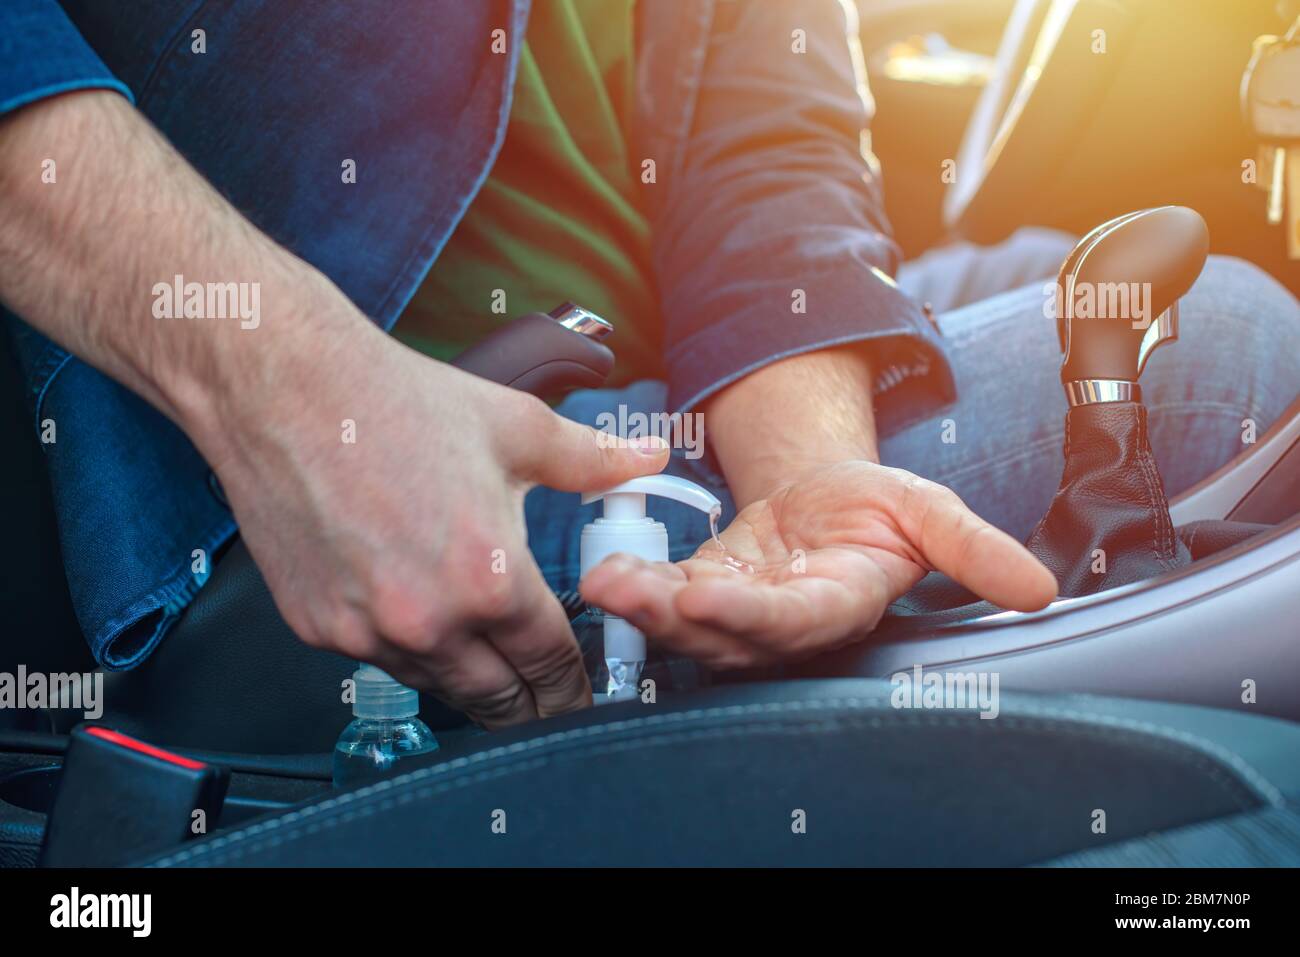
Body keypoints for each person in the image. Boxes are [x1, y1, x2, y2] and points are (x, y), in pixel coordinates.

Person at [0, 1, 1295, 730]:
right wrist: (292, 392)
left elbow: (764, 146)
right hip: (414, 422)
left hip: (656, 370)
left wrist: (809, 485)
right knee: (1223, 356)